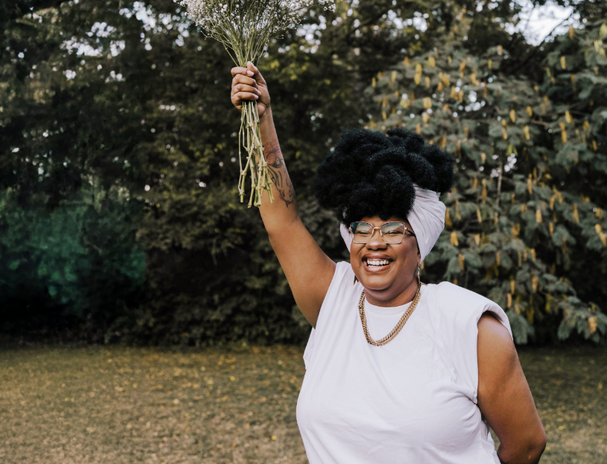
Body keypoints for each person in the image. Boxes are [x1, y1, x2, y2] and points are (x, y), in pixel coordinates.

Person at [230, 61, 546, 464]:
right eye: (362, 228)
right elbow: (282, 221)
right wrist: (261, 119)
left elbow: (527, 443)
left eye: (394, 229)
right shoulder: (334, 299)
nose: (374, 243)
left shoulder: (471, 327)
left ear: (420, 244)